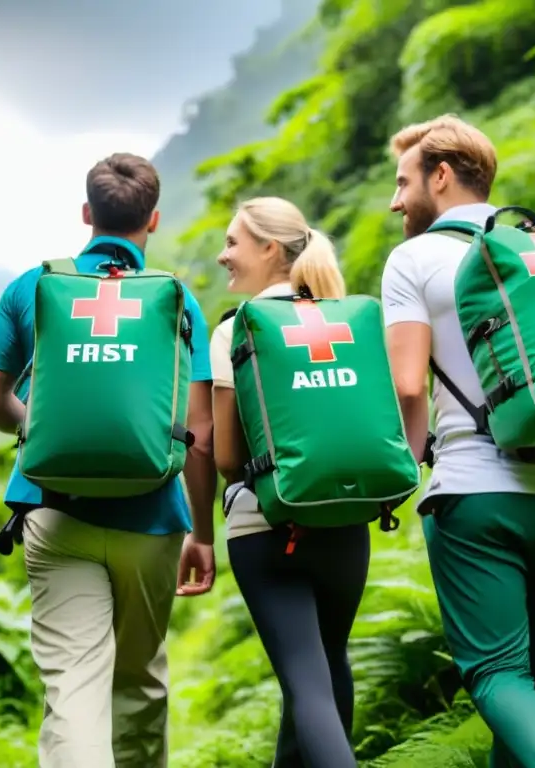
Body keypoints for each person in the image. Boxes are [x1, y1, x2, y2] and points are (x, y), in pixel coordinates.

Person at [0, 152, 217, 768]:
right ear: (152, 220)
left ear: (87, 213)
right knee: (139, 680)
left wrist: (41, 427)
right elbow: (199, 429)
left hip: (56, 511)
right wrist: (204, 534)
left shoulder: (34, 286)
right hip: (153, 515)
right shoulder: (177, 300)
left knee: (74, 688)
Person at [381, 115, 535, 768]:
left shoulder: (414, 259)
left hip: (476, 494)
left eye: (402, 182)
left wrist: (404, 469)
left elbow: (408, 387)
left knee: (500, 674)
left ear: (440, 177)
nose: (395, 201)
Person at [209, 196, 366, 768]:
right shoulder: (341, 316)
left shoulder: (237, 330)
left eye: (233, 242)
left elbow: (226, 455)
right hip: (347, 520)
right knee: (328, 667)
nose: (223, 255)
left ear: (269, 248)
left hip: (266, 527)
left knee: (306, 686)